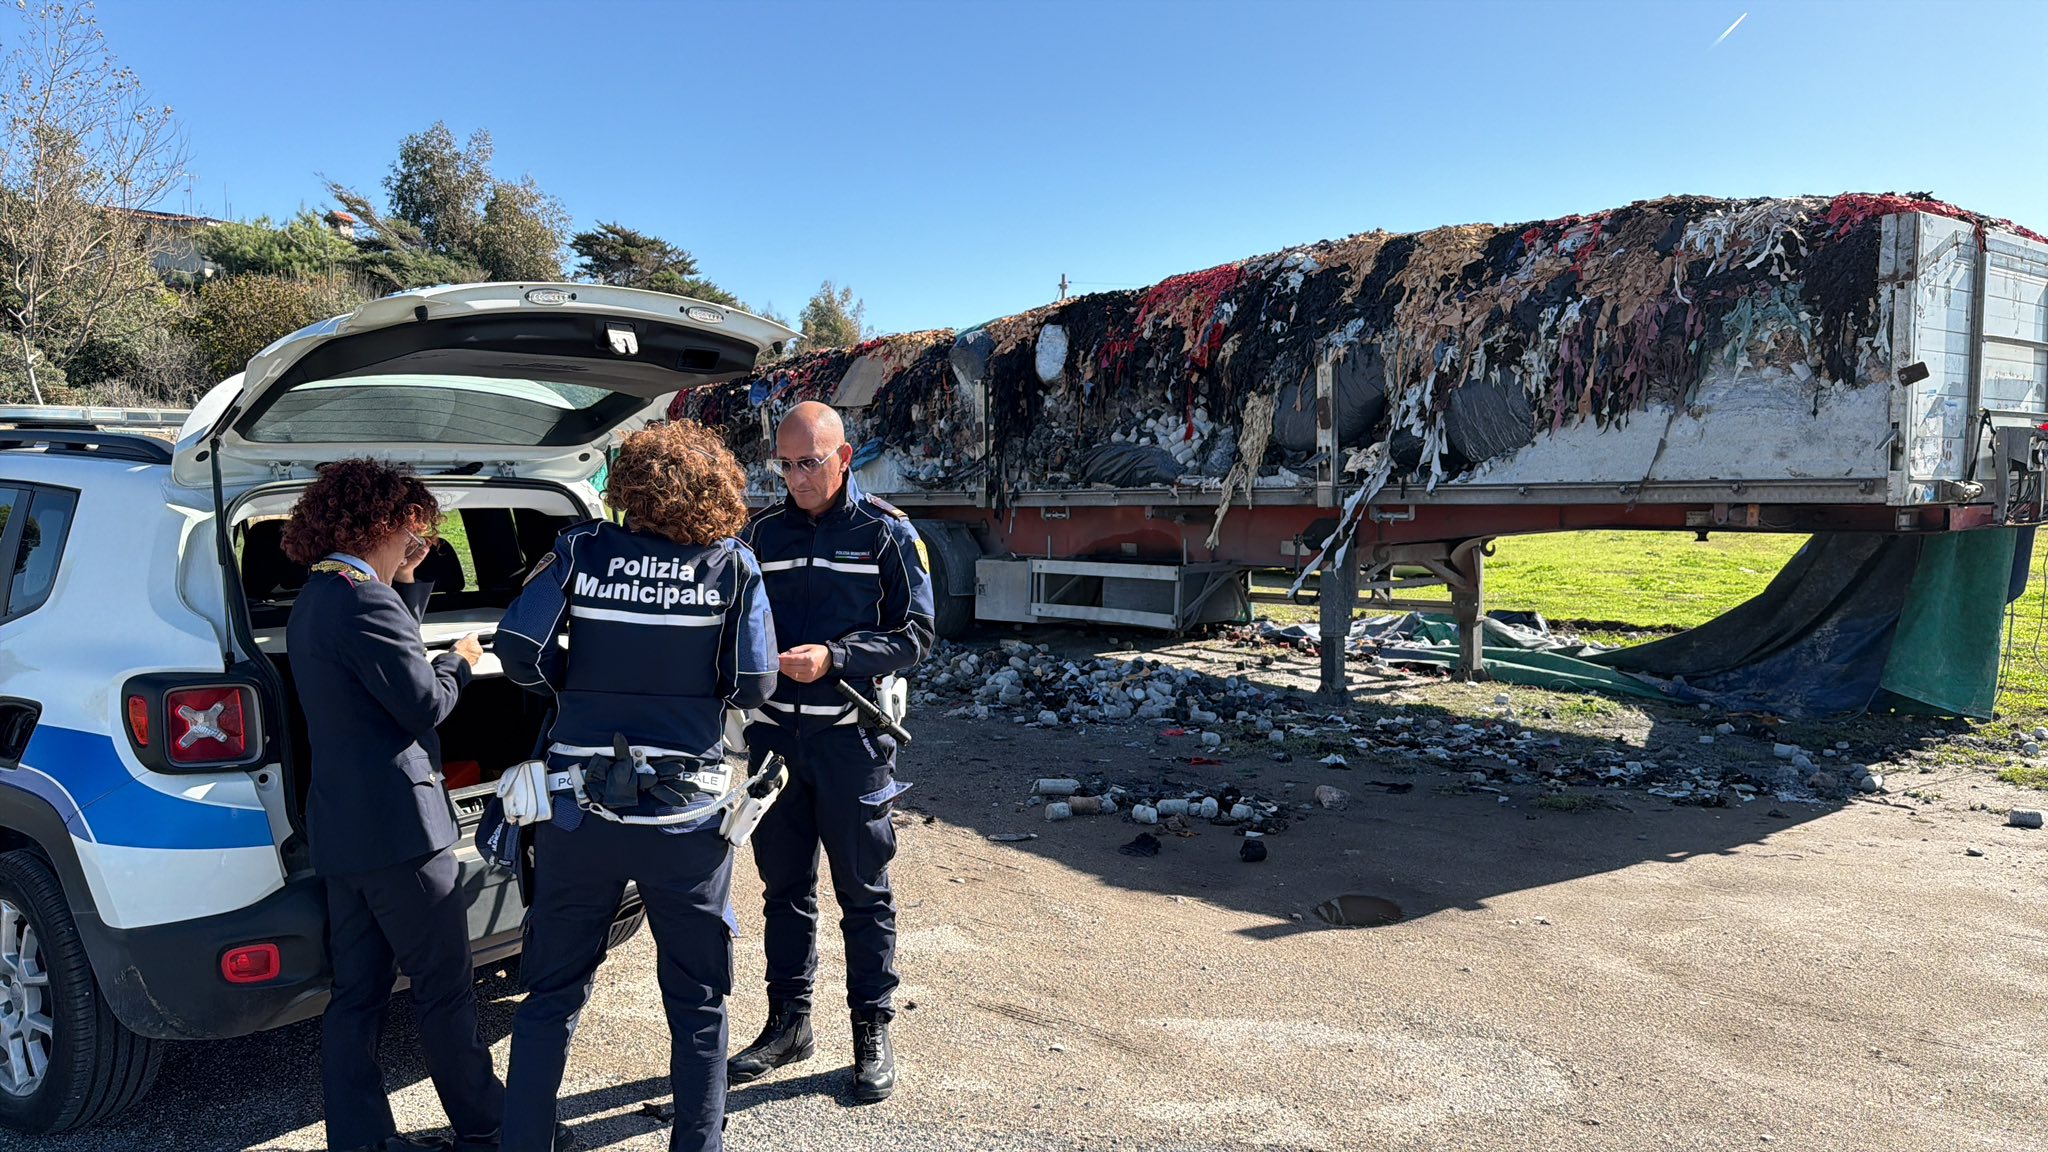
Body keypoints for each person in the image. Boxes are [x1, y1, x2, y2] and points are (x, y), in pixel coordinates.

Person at [494, 421, 778, 1152]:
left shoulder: (583, 550)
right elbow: (754, 682)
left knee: (551, 994)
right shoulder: (734, 566)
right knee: (698, 1000)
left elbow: (518, 649)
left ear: (628, 489)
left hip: (580, 813)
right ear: (719, 488)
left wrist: (571, 691)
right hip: (686, 822)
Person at [281, 460, 506, 1152]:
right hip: (402, 836)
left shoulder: (320, 594)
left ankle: (360, 1138)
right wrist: (459, 659)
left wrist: (404, 587)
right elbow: (423, 705)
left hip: (344, 833)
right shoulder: (365, 600)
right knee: (445, 989)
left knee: (358, 996)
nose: (422, 545)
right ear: (385, 522)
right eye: (417, 532)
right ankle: (490, 1125)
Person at [728, 401, 934, 1102]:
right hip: (775, 743)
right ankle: (788, 1023)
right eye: (783, 466)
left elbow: (916, 636)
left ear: (844, 458)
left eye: (808, 464)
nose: (795, 479)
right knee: (783, 891)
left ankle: (871, 1028)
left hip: (852, 739)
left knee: (863, 895)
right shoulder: (759, 533)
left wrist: (838, 656)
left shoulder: (886, 532)